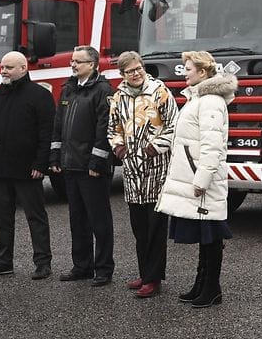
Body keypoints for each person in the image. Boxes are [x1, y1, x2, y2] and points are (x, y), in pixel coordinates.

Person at [156, 50, 237, 308]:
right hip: (196, 177)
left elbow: (212, 146)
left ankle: (212, 288)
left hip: (203, 182)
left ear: (202, 72)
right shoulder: (198, 98)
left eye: (188, 68)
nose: (184, 72)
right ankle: (202, 284)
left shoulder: (210, 101)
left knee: (211, 235)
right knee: (205, 235)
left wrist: (201, 179)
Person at [0, 51, 55, 280]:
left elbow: (47, 134)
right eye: (2, 67)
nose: (3, 71)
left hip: (28, 170)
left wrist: (41, 164)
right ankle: (3, 262)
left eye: (8, 67)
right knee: (1, 218)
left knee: (35, 217)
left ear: (23, 69)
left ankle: (43, 263)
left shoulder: (39, 96)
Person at [108, 51, 178, 299]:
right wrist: (119, 147)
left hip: (156, 168)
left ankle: (154, 278)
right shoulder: (118, 97)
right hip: (132, 171)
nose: (136, 74)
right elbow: (113, 127)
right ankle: (144, 272)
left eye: (138, 68)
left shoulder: (160, 91)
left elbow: (173, 125)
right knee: (139, 226)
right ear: (123, 74)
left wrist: (153, 147)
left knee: (155, 225)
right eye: (130, 71)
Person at [50, 45, 115, 286]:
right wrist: (55, 156)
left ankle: (104, 269)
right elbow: (59, 125)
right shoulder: (68, 89)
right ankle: (82, 266)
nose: (73, 65)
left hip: (92, 169)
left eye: (78, 61)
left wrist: (97, 162)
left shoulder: (103, 91)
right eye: (72, 61)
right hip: (71, 166)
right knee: (77, 220)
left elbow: (104, 129)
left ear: (93, 65)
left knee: (99, 221)